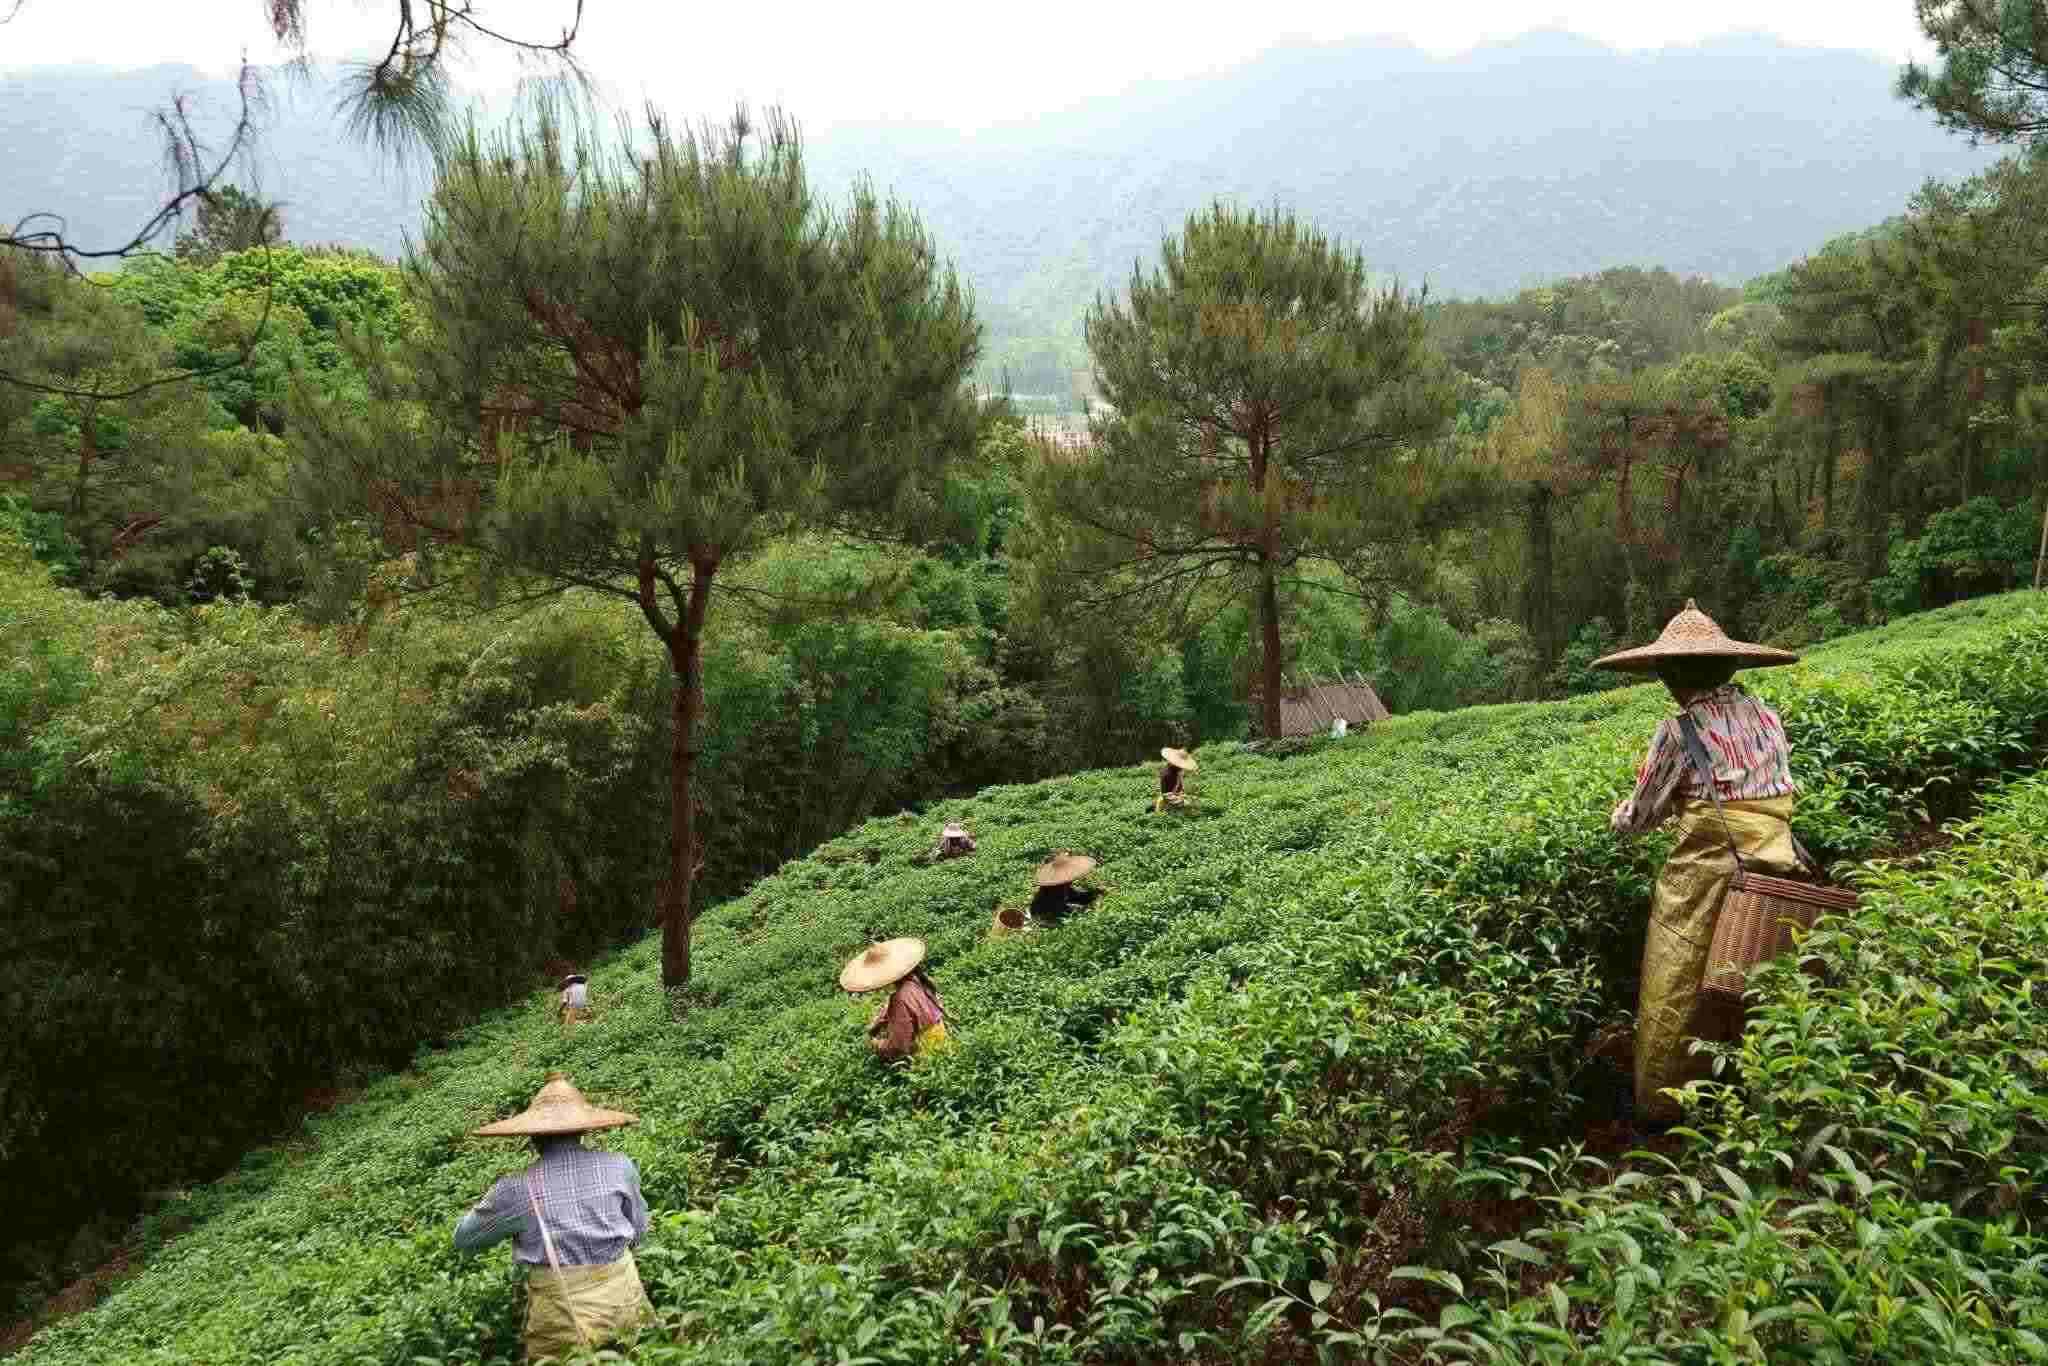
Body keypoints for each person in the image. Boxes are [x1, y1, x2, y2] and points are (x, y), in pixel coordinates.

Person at [1596, 600, 1803, 1131]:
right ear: (1728, 667)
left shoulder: (1679, 731)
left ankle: (1668, 1107)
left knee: (1678, 984)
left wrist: (1618, 819)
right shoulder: (1767, 717)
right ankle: (1754, 1097)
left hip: (1706, 879)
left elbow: (1642, 815)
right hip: (1771, 871)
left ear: (1671, 676)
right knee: (1752, 980)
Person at [454, 1072, 653, 1361]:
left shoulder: (515, 1189)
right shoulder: (619, 1166)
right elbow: (639, 1231)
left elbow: (465, 1239)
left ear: (532, 1136)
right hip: (625, 1301)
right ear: (582, 1129)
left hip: (563, 1320)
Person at [841, 937, 948, 1061]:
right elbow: (890, 1011)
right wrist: (877, 1023)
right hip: (943, 1046)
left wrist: (876, 1045)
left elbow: (897, 1047)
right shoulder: (914, 979)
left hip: (930, 1057)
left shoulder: (901, 998)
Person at [1029, 853, 1101, 924]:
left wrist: (1094, 894)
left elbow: (1075, 896)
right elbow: (1061, 908)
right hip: (1045, 915)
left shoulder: (1063, 886)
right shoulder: (1054, 889)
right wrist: (1082, 908)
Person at [1155, 748, 1198, 813]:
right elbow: (1166, 793)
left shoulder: (1176, 772)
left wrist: (1182, 794)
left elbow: (1179, 787)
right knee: (1191, 805)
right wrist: (1181, 798)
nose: (1182, 767)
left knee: (1193, 800)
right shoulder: (1168, 774)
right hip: (1169, 797)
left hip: (1175, 795)